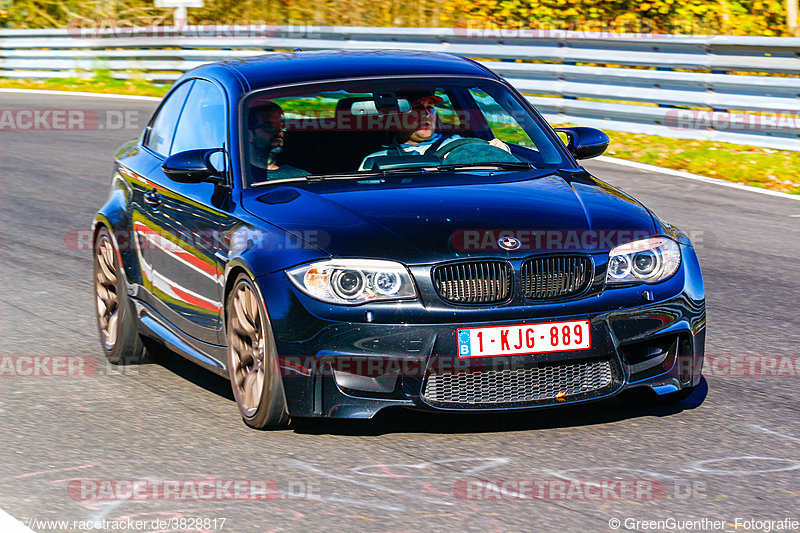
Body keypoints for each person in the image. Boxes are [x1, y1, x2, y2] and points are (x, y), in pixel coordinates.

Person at [358, 91, 511, 171]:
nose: (426, 114)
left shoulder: (457, 144)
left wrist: (500, 151)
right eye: (417, 108)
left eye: (430, 108)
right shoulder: (375, 160)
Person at [247, 101, 309, 182]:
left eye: (282, 126)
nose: (279, 131)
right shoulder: (237, 179)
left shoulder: (300, 177)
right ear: (249, 135)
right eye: (269, 127)